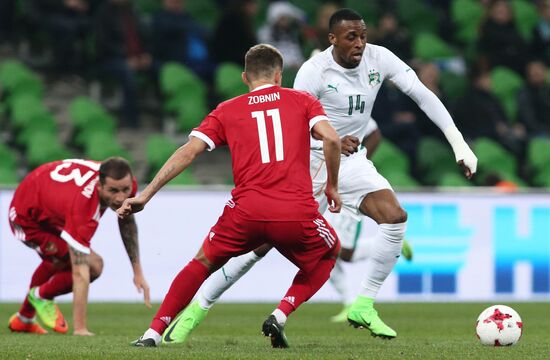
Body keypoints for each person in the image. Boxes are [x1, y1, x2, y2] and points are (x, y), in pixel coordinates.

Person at [162, 8, 477, 343]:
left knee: (395, 217)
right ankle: (197, 310)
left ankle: (363, 304)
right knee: (258, 248)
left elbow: (422, 94)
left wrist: (458, 142)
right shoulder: (314, 72)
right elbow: (294, 122)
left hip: (352, 162)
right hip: (307, 165)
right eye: (351, 37)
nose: (360, 43)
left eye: (363, 35)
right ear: (332, 39)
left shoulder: (379, 59)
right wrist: (334, 141)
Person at [119, 43, 343, 348]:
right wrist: (332, 185)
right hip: (295, 212)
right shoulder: (302, 101)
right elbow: (331, 138)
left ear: (244, 77)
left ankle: (153, 333)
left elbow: (188, 152)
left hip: (246, 213)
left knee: (200, 263)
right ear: (279, 75)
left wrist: (145, 195)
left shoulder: (227, 110)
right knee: (329, 252)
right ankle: (280, 313)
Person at [7, 157, 151, 336]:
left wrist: (137, 271)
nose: (121, 198)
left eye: (125, 190)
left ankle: (24, 319)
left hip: (50, 202)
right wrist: (80, 329)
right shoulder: (82, 207)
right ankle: (40, 296)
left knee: (60, 258)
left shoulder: (125, 183)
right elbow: (80, 272)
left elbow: (127, 219)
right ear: (99, 186)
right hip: (26, 217)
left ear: (130, 182)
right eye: (113, 191)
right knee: (93, 266)